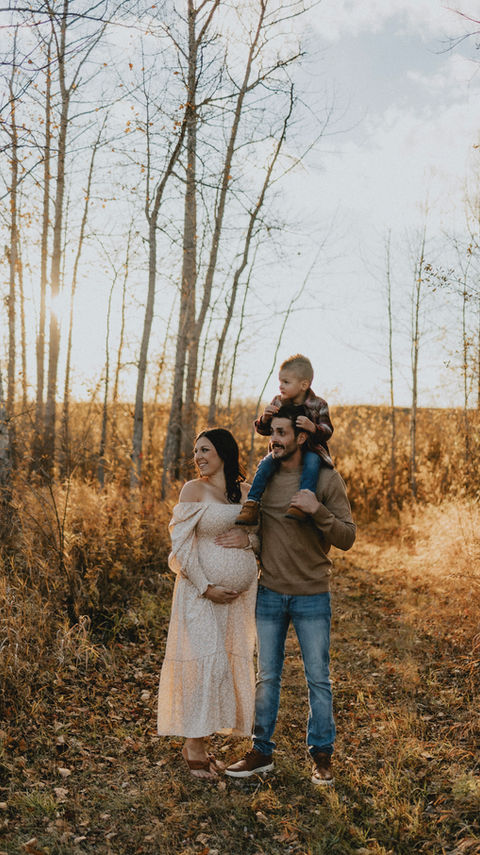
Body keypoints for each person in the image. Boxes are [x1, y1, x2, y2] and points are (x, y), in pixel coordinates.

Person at [225, 405, 356, 786]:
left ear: (301, 436)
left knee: (318, 678)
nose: (274, 441)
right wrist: (246, 539)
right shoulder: (264, 480)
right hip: (269, 593)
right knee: (267, 677)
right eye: (272, 435)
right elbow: (259, 529)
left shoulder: (327, 479)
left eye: (282, 434)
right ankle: (261, 751)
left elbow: (347, 537)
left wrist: (318, 511)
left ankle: (321, 756)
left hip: (312, 594)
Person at [157, 429, 258, 780]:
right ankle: (193, 747)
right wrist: (207, 586)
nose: (198, 456)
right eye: (195, 450)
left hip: (235, 602)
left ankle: (201, 741)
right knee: (204, 665)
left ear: (224, 453)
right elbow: (181, 546)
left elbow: (262, 537)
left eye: (205, 449)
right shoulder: (193, 490)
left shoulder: (246, 493)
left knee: (222, 668)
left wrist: (249, 540)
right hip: (198, 594)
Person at [235, 354, 333, 525]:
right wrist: (264, 419)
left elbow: (327, 430)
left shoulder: (319, 404)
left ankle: (301, 504)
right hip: (282, 451)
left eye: (286, 382)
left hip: (311, 450)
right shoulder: (277, 402)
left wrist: (313, 427)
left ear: (304, 384)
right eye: (280, 382)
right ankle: (251, 505)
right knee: (265, 463)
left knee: (312, 463)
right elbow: (265, 431)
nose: (281, 386)